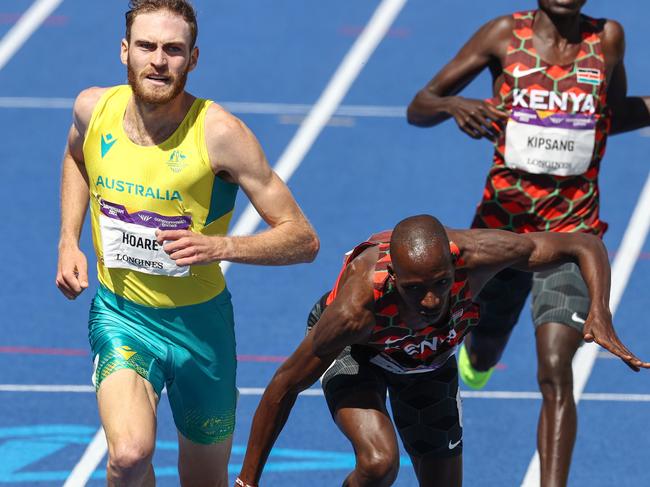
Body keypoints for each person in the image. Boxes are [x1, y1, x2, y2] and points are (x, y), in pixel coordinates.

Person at [55, 1, 319, 485]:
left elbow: (302, 238)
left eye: (173, 49)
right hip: (123, 315)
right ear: (124, 51)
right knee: (129, 455)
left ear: (193, 59)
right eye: (147, 46)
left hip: (202, 328)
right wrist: (68, 242)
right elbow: (76, 159)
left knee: (204, 478)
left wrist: (221, 247)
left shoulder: (220, 134)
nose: (159, 60)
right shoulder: (93, 108)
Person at [406, 1, 650, 485]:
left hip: (573, 235)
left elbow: (611, 114)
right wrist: (454, 104)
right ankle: (480, 358)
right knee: (484, 348)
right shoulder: (503, 35)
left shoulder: (608, 39)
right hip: (502, 232)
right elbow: (420, 106)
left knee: (556, 367)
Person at [234, 215, 648, 487]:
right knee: (379, 461)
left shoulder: (481, 255)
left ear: (454, 266)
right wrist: (246, 482)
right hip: (360, 354)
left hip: (427, 363)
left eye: (440, 284)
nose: (431, 301)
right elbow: (282, 387)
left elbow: (582, 244)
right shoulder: (353, 312)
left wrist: (600, 311)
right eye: (414, 289)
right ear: (393, 276)